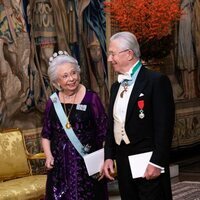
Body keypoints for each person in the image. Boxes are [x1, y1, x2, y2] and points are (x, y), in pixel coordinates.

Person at [103, 32, 175, 200]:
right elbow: (112, 124)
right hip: (123, 161)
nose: (109, 58)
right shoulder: (115, 87)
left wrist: (157, 162)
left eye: (113, 53)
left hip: (148, 161)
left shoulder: (156, 81)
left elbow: (164, 127)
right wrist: (108, 156)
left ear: (129, 54)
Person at [41, 50, 108, 199]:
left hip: (88, 165)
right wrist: (48, 155)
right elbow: (46, 134)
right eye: (65, 76)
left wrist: (105, 159)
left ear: (78, 73)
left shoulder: (92, 99)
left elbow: (104, 132)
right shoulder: (53, 102)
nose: (71, 79)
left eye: (73, 73)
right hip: (60, 167)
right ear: (57, 82)